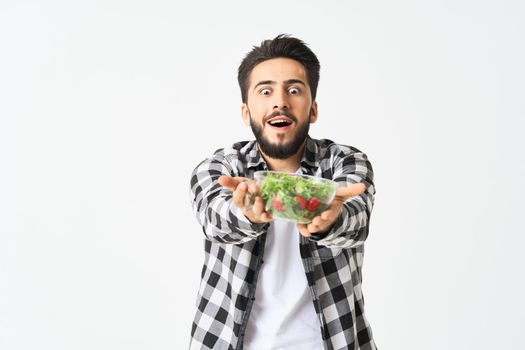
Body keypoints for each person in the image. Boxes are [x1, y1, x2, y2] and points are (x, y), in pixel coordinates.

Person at [188, 34, 377, 350]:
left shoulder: (345, 162)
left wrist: (331, 218)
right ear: (246, 111)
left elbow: (356, 222)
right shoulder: (220, 167)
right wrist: (246, 213)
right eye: (265, 91)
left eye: (294, 90)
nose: (280, 102)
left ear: (312, 109)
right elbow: (215, 220)